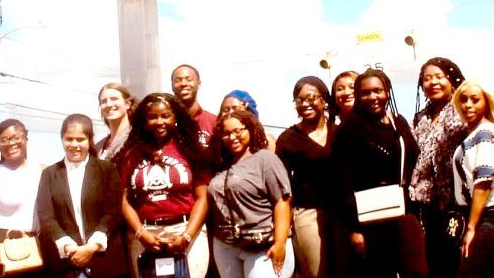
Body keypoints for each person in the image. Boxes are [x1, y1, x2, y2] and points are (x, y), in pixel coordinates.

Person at [332, 69, 425, 278]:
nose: (373, 97)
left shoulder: (398, 122)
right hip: (369, 221)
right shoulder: (348, 130)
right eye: (365, 93)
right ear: (358, 96)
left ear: (387, 92)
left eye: (378, 91)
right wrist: (354, 230)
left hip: (403, 211)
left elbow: (414, 159)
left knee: (417, 271)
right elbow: (342, 183)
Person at [120, 93, 210, 278]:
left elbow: (203, 198)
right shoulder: (132, 154)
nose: (159, 122)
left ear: (175, 117)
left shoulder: (190, 150)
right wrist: (141, 233)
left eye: (165, 116)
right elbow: (123, 200)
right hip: (145, 234)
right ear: (144, 121)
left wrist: (186, 236)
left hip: (185, 231)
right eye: (152, 117)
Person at [36, 113, 126, 278]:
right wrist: (69, 247)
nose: (74, 144)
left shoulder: (106, 170)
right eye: (69, 139)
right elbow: (46, 216)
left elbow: (113, 212)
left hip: (104, 261)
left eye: (80, 139)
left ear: (90, 140)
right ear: (62, 139)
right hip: (67, 263)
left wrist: (91, 247)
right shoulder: (50, 174)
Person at [208, 109, 294, 278]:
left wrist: (280, 243)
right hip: (226, 245)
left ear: (250, 129)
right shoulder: (220, 165)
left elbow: (282, 201)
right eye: (226, 134)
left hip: (262, 244)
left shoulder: (265, 159)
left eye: (237, 131)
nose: (232, 137)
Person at [451, 81, 494, 278]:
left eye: (475, 99)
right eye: (463, 100)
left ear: (486, 103)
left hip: (492, 215)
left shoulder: (486, 133)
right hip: (486, 215)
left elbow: (484, 182)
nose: (468, 105)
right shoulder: (471, 134)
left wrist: (471, 228)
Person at [409, 57, 467, 278]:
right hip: (427, 207)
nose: (433, 83)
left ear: (452, 80)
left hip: (458, 202)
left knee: (458, 266)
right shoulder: (420, 118)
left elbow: (493, 126)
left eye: (439, 77)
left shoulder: (464, 106)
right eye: (427, 79)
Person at [275, 77, 335, 278]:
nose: (305, 104)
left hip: (340, 213)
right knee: (317, 271)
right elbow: (282, 186)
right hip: (307, 214)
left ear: (323, 100)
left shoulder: (339, 131)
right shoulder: (287, 139)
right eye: (299, 100)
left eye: (311, 98)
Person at [0, 119, 44, 278]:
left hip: (40, 248)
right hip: (7, 250)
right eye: (4, 140)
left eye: (16, 137)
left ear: (26, 139)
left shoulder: (42, 170)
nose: (11, 143)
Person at [171, 64, 217, 147]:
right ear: (172, 85)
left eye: (189, 79)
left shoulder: (214, 122)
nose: (183, 83)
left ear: (199, 84)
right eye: (178, 80)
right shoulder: (166, 123)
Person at [97, 83, 137, 163]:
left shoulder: (136, 140)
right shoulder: (98, 147)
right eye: (104, 101)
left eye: (114, 99)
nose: (109, 104)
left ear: (127, 104)